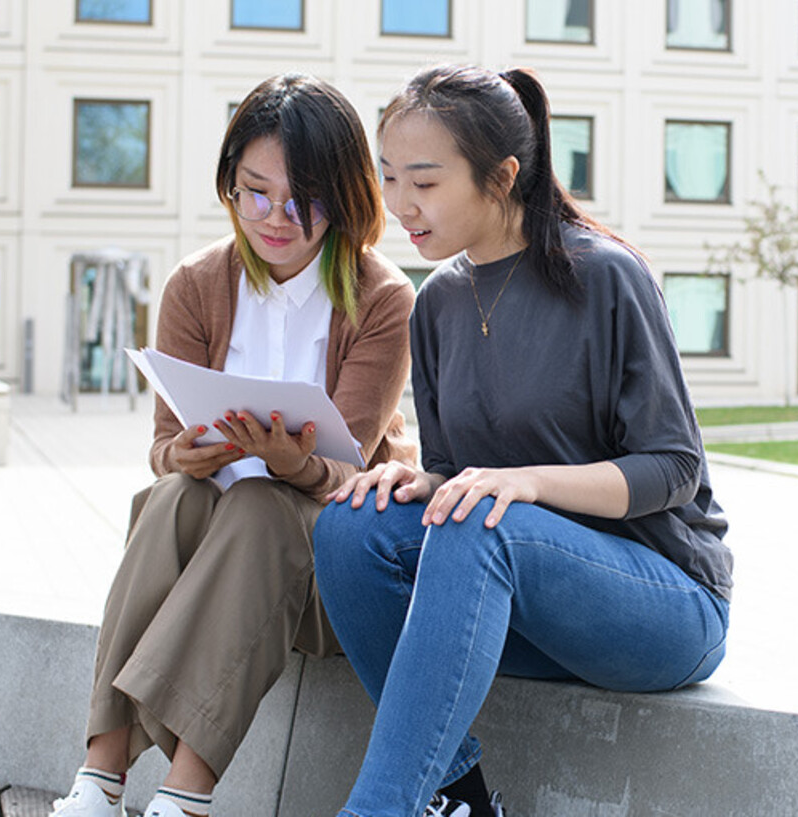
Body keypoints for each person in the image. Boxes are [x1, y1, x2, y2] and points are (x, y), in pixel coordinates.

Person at [313, 65, 733, 817]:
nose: (399, 204)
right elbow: (453, 475)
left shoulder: (605, 276)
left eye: (426, 181)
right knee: (351, 525)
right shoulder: (436, 302)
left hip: (662, 606)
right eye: (389, 178)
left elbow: (673, 468)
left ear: (501, 175)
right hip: (514, 600)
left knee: (485, 519)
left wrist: (528, 481)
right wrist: (418, 482)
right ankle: (458, 798)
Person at [48, 74, 416, 817]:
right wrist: (183, 454)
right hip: (208, 552)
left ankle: (184, 793)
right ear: (230, 185)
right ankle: (100, 778)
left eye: (303, 201)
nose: (274, 217)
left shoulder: (382, 299)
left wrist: (296, 463)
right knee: (171, 493)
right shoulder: (194, 284)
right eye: (254, 192)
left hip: (322, 578)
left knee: (259, 501)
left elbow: (349, 470)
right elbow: (161, 447)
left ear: (344, 199)